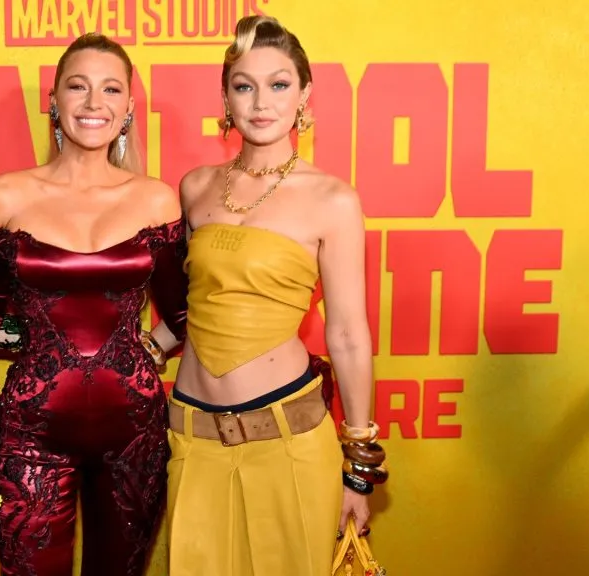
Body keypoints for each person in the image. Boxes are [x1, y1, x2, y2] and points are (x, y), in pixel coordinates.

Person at [166, 15, 389, 576]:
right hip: (191, 439)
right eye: (244, 85)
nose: (261, 102)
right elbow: (194, 305)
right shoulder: (194, 187)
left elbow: (346, 335)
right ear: (225, 96)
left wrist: (357, 466)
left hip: (288, 440)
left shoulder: (332, 199)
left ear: (305, 93)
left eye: (279, 84)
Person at [0, 33, 188, 576]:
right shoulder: (6, 196)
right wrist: (44, 348)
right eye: (79, 86)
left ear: (128, 109)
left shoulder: (157, 199)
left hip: (135, 435)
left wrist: (142, 348)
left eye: (110, 89)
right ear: (53, 100)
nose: (94, 103)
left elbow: (182, 314)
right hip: (31, 434)